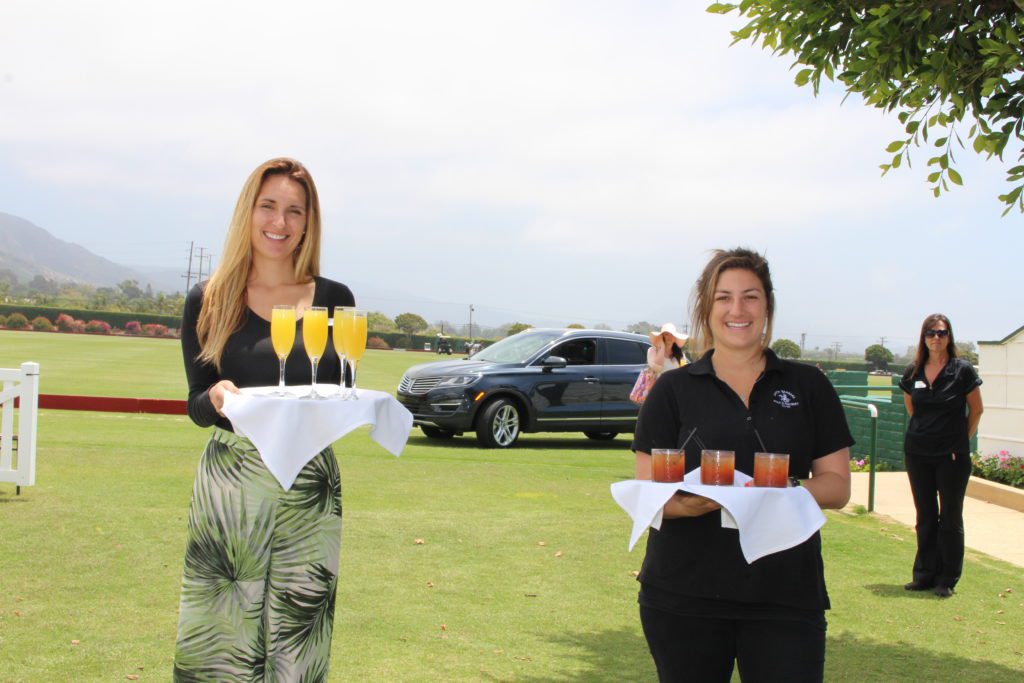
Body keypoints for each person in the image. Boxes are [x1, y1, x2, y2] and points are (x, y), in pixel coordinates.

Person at [632, 248, 852, 682]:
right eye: (724, 297)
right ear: (706, 307)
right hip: (683, 594)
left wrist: (781, 490)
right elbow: (649, 494)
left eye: (751, 297)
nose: (738, 310)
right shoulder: (672, 390)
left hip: (786, 593)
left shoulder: (808, 385)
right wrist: (691, 504)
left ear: (767, 306)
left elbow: (837, 486)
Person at [174, 158, 355, 679]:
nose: (280, 221)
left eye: (295, 210)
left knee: (299, 634)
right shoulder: (209, 299)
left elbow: (341, 392)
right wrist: (216, 397)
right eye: (268, 206)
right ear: (247, 213)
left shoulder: (335, 300)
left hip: (309, 484)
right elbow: (196, 402)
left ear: (308, 221)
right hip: (231, 484)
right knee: (222, 638)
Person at [899, 314, 983, 599]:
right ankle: (923, 575)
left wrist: (959, 440)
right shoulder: (913, 372)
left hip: (952, 456)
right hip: (918, 453)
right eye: (931, 333)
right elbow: (912, 409)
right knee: (925, 515)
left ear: (949, 337)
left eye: (942, 333)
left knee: (950, 517)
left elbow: (977, 410)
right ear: (923, 337)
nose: (936, 338)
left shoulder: (962, 370)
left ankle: (946, 579)